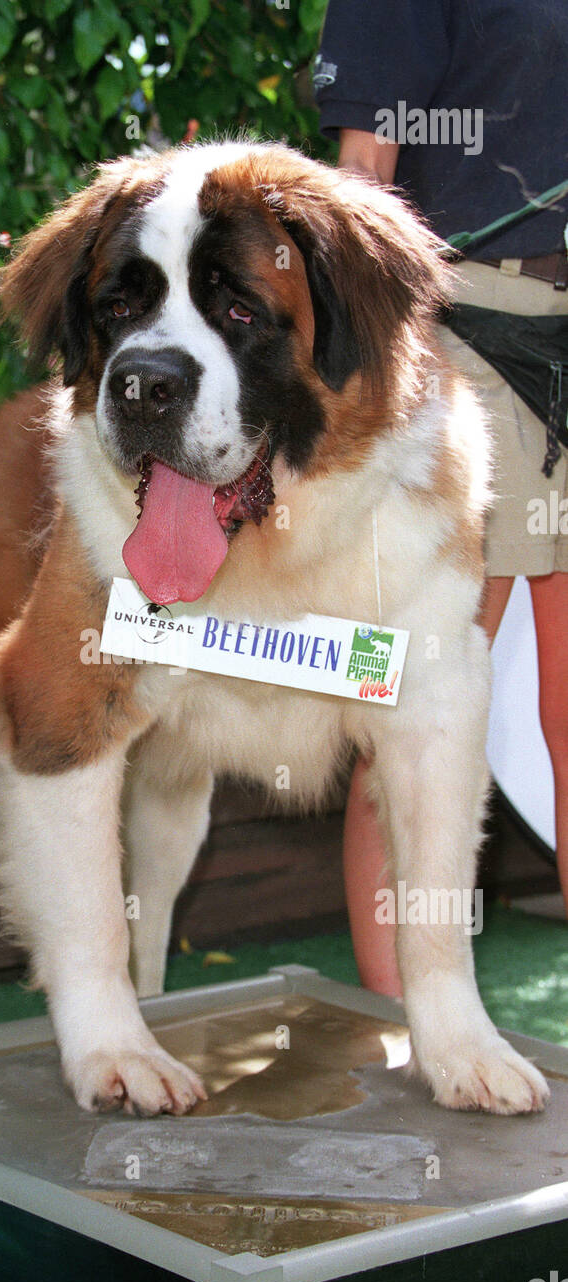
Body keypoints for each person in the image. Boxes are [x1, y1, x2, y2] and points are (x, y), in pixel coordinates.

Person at [313, 0, 568, 996]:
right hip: (462, 335)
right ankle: (398, 1037)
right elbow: (358, 183)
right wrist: (370, 381)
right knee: (420, 709)